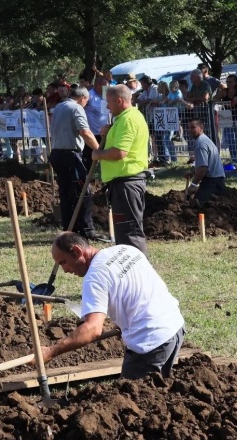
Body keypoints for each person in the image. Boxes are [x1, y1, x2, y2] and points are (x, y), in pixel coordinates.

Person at [41, 232, 186, 379]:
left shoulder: (95, 277)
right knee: (160, 389)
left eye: (63, 262)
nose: (65, 270)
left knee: (131, 397)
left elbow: (92, 329)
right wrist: (123, 320)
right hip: (175, 326)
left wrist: (52, 351)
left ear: (77, 251)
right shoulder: (126, 250)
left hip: (150, 342)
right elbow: (138, 289)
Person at [91, 84, 150, 256]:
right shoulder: (123, 119)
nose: (107, 107)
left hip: (127, 184)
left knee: (130, 233)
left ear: (119, 100)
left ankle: (139, 273)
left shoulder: (128, 119)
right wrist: (107, 135)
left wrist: (98, 154)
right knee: (125, 233)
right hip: (122, 183)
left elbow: (119, 152)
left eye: (109, 103)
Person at [50, 87, 100, 237]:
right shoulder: (76, 108)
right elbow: (85, 132)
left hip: (57, 154)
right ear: (83, 98)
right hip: (71, 155)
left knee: (65, 193)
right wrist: (98, 150)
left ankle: (69, 228)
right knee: (82, 192)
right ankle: (87, 230)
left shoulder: (59, 107)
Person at [185, 119, 224, 205]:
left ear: (201, 127)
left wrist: (194, 185)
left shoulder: (201, 143)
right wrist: (193, 171)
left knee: (199, 205)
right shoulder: (203, 140)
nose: (190, 130)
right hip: (215, 179)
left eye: (193, 127)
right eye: (188, 128)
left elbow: (203, 167)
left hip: (213, 182)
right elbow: (204, 163)